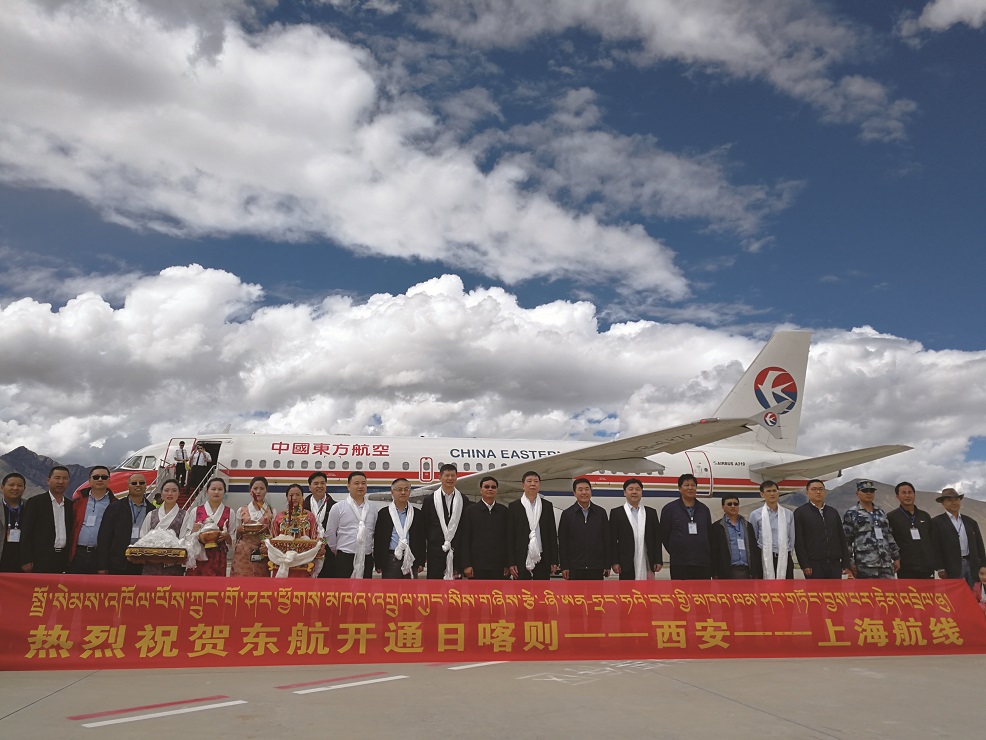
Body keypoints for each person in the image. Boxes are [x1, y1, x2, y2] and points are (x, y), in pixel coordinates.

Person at [97, 473, 156, 575]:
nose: (138, 485)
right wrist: (102, 565)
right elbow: (104, 538)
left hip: (142, 563)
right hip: (118, 563)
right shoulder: (114, 508)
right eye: (134, 483)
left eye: (141, 483)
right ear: (128, 486)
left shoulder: (152, 511)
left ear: (146, 486)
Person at [420, 463, 472, 579]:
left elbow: (465, 527)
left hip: (457, 553)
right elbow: (425, 526)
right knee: (435, 590)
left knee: (455, 591)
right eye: (447, 475)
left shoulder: (463, 500)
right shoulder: (430, 500)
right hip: (435, 553)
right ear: (440, 478)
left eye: (453, 475)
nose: (450, 478)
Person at [793, 479, 851, 579]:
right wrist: (804, 564)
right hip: (813, 564)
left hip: (834, 563)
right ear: (807, 492)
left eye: (820, 489)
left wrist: (845, 562)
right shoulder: (800, 513)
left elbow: (841, 537)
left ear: (825, 492)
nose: (818, 492)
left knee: (835, 593)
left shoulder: (833, 512)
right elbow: (799, 541)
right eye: (814, 489)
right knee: (815, 593)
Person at [20, 466, 73, 574]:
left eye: (65, 478)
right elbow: (26, 532)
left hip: (63, 559)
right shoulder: (35, 502)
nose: (61, 482)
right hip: (40, 559)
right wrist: (26, 559)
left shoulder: (70, 505)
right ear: (48, 480)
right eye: (57, 478)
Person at [325, 471, 378, 578]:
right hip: (345, 557)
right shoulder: (338, 507)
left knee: (364, 592)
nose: (360, 486)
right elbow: (330, 532)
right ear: (348, 486)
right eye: (356, 483)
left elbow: (374, 532)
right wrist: (336, 550)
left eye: (363, 483)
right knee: (344, 592)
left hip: (366, 557)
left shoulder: (373, 508)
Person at [659, 473, 712, 580]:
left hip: (702, 563)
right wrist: (676, 550)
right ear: (679, 488)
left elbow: (709, 534)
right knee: (681, 594)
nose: (690, 488)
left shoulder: (704, 509)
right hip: (680, 562)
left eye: (693, 485)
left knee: (702, 595)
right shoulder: (670, 509)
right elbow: (664, 535)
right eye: (686, 485)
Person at [843, 480, 900, 579]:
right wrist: (850, 562)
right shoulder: (851, 513)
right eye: (865, 491)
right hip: (865, 565)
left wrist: (896, 557)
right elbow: (846, 540)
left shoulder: (881, 512)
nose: (869, 493)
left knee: (888, 593)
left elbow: (889, 536)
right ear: (857, 493)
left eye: (871, 491)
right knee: (867, 594)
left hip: (885, 564)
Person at [507, 471, 558, 580]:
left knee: (542, 593)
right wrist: (511, 562)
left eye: (536, 481)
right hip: (521, 557)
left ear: (539, 485)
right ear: (523, 486)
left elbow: (552, 534)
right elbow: (510, 537)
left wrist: (554, 560)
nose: (532, 484)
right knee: (522, 594)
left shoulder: (547, 506)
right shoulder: (514, 506)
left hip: (542, 556)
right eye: (529, 481)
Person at [931, 487, 985, 587]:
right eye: (949, 500)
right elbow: (935, 547)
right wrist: (940, 568)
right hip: (951, 567)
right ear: (943, 503)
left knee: (974, 595)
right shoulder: (936, 522)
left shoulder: (970, 522)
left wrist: (983, 565)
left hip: (972, 565)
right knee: (955, 597)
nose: (954, 502)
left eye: (956, 499)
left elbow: (979, 545)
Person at [609, 478, 662, 580]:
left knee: (648, 592)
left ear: (641, 492)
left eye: (637, 489)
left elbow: (657, 539)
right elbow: (613, 540)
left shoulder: (651, 513)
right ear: (625, 492)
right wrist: (615, 562)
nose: (634, 492)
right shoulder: (616, 513)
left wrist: (658, 560)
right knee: (627, 593)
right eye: (631, 489)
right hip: (626, 562)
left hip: (647, 560)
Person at [557, 478, 610, 580]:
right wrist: (564, 566)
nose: (584, 492)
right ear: (574, 493)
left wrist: (607, 564)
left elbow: (607, 540)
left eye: (587, 489)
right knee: (576, 596)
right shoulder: (567, 514)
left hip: (596, 567)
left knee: (595, 596)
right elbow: (563, 542)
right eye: (580, 490)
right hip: (574, 567)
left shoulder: (600, 513)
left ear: (591, 491)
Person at [374, 478, 425, 579]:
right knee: (390, 592)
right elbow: (379, 539)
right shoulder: (384, 513)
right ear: (392, 492)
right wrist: (378, 562)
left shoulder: (417, 513)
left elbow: (421, 539)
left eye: (406, 489)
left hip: (411, 557)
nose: (403, 492)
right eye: (399, 489)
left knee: (410, 592)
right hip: (390, 558)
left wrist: (421, 561)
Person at [460, 476, 509, 580]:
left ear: (497, 490)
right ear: (481, 490)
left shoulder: (504, 511)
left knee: (497, 596)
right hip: (476, 567)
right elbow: (465, 539)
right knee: (476, 596)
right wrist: (467, 564)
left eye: (493, 487)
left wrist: (507, 564)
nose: (490, 489)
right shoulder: (470, 511)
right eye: (486, 487)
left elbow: (508, 539)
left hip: (498, 566)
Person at [68, 465, 116, 574]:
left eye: (104, 477)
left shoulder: (115, 504)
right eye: (96, 477)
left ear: (109, 480)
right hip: (77, 554)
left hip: (100, 555)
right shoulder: (77, 502)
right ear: (89, 480)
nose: (100, 479)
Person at [182, 478, 232, 576]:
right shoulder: (195, 511)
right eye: (213, 489)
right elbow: (186, 538)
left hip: (219, 557)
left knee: (215, 588)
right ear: (207, 492)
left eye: (220, 489)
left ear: (224, 492)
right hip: (198, 556)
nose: (216, 492)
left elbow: (232, 541)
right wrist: (193, 532)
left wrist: (227, 536)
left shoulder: (230, 513)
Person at [139, 479, 188, 576]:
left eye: (174, 491)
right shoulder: (151, 514)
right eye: (166, 490)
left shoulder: (184, 515)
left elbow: (184, 539)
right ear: (161, 494)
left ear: (178, 494)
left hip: (173, 564)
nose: (170, 493)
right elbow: (143, 537)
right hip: (151, 563)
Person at [887, 481, 935, 579]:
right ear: (897, 496)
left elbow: (932, 539)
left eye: (910, 492)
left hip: (927, 567)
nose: (907, 496)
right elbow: (889, 541)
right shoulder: (891, 517)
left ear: (914, 494)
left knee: (929, 594)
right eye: (904, 493)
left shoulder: (925, 516)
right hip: (906, 568)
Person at [749, 480, 795, 579]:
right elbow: (754, 537)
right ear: (762, 494)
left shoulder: (788, 514)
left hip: (784, 556)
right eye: (769, 491)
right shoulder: (755, 515)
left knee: (787, 590)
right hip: (765, 557)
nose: (772, 493)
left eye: (774, 490)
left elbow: (791, 537)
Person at [230, 476, 275, 577]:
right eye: (255, 489)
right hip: (243, 552)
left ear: (266, 491)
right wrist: (239, 530)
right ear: (250, 491)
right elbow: (235, 534)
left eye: (262, 489)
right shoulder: (241, 510)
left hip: (262, 551)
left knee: (260, 584)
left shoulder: (272, 511)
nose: (258, 492)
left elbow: (274, 534)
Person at [710, 494, 762, 579]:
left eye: (735, 504)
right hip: (726, 572)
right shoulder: (717, 527)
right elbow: (714, 551)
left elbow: (754, 549)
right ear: (723, 507)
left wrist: (756, 571)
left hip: (747, 571)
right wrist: (714, 573)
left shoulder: (748, 526)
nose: (733, 506)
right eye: (729, 504)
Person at [304, 471, 335, 578]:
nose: (320, 486)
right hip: (307, 550)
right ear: (310, 487)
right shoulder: (303, 507)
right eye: (316, 484)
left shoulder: (335, 506)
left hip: (328, 551)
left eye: (322, 483)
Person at [1, 472, 26, 572]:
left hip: (23, 561)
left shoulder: (31, 507)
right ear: (2, 487)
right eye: (11, 485)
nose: (15, 488)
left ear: (24, 489)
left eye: (20, 485)